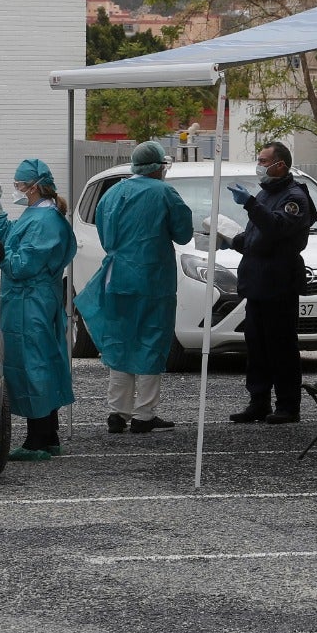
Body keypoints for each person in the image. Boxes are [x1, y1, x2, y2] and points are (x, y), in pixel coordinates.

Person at [74, 140, 194, 433]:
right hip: (153, 279)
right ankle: (144, 415)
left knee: (120, 342)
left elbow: (105, 237)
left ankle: (117, 412)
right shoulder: (165, 193)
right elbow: (183, 233)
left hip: (117, 277)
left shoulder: (112, 193)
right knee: (152, 342)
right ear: (157, 168)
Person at [0, 158, 76, 460]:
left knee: (33, 366)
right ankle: (48, 436)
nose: (17, 190)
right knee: (42, 364)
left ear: (35, 187)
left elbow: (21, 264)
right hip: (31, 301)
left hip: (30, 303)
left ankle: (36, 441)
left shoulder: (46, 221)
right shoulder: (38, 214)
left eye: (19, 185)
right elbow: (14, 235)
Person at [226, 141, 317, 425]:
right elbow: (257, 236)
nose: (260, 166)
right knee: (256, 345)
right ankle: (259, 401)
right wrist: (231, 239)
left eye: (265, 161)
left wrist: (251, 204)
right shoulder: (266, 194)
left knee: (281, 346)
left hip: (279, 280)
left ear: (281, 165)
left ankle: (288, 405)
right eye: (259, 160)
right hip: (257, 280)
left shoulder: (294, 198)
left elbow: (277, 228)